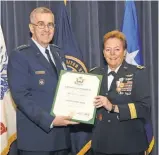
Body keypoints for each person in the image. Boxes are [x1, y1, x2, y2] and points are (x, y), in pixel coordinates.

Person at [7, 7, 78, 155]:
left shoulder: (59, 53)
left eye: (50, 24)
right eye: (41, 24)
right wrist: (50, 121)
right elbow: (21, 97)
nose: (46, 29)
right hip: (37, 141)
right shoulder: (20, 56)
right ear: (31, 27)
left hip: (62, 139)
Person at [90, 30, 150, 155]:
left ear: (124, 52)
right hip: (101, 145)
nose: (112, 54)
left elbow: (144, 108)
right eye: (108, 49)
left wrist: (113, 107)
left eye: (117, 49)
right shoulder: (94, 74)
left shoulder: (137, 73)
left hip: (129, 145)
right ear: (103, 52)